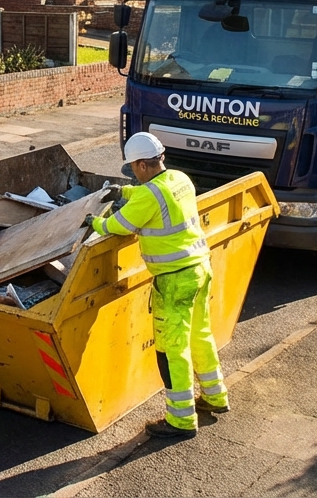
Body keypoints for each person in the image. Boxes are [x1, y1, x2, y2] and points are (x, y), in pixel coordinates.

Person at [84, 132, 228, 441]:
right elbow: (152, 194)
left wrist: (92, 222)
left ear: (141, 165)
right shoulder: (179, 179)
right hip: (199, 268)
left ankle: (181, 420)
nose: (133, 173)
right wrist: (124, 191)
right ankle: (215, 397)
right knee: (199, 334)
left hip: (174, 279)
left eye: (132, 169)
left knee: (171, 349)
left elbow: (117, 226)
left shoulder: (150, 195)